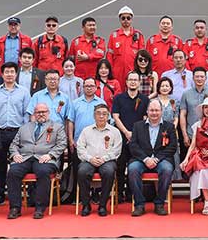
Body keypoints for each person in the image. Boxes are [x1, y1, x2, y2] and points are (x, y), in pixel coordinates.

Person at [6, 103, 67, 219]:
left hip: (45, 158)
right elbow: (14, 144)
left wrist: (51, 155)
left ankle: (40, 208)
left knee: (43, 172)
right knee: (13, 172)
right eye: (38, 112)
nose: (41, 114)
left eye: (43, 112)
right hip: (25, 157)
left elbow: (62, 144)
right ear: (34, 114)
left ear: (48, 113)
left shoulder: (57, 127)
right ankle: (15, 208)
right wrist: (15, 154)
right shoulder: (24, 127)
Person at [0, 62, 31, 205]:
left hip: (17, 132)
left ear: (16, 74)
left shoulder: (23, 92)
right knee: (0, 165)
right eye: (7, 72)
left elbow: (26, 114)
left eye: (12, 71)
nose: (10, 74)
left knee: (18, 163)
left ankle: (19, 196)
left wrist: (23, 132)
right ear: (2, 74)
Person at [128, 99, 177, 216]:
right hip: (141, 159)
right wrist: (145, 159)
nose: (154, 113)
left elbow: (172, 147)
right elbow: (133, 145)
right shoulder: (137, 126)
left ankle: (159, 203)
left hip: (161, 159)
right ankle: (139, 204)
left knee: (167, 170)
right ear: (147, 111)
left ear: (161, 111)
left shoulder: (169, 127)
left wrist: (157, 159)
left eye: (157, 110)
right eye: (151, 110)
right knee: (133, 169)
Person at [76, 103, 122, 217]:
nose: (101, 116)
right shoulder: (86, 131)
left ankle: (102, 205)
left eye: (104, 114)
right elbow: (80, 148)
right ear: (94, 115)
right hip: (89, 160)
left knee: (109, 172)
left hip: (107, 161)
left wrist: (104, 159)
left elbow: (117, 150)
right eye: (98, 113)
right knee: (82, 172)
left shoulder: (114, 131)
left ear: (108, 116)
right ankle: (86, 204)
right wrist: (90, 158)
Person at [66, 77, 106, 204]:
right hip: (79, 143)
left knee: (99, 167)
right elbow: (70, 121)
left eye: (91, 86)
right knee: (80, 170)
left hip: (98, 143)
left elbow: (107, 122)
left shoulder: (101, 102)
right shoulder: (75, 103)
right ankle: (81, 196)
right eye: (86, 86)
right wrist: (71, 139)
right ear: (83, 88)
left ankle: (96, 193)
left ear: (95, 88)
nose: (89, 88)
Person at [112, 71, 149, 202]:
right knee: (120, 166)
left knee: (134, 165)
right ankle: (119, 192)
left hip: (138, 138)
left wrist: (134, 134)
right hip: (121, 137)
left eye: (135, 80)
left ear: (139, 83)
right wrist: (127, 132)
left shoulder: (145, 99)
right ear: (126, 82)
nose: (133, 82)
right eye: (130, 80)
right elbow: (115, 116)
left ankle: (131, 193)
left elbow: (146, 119)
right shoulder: (119, 98)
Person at [179, 67, 208, 154]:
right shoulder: (186, 94)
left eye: (202, 77)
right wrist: (184, 135)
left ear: (206, 78)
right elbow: (183, 114)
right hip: (190, 134)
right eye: (197, 76)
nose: (199, 79)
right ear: (193, 78)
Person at [107, 6, 145, 85]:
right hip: (117, 72)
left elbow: (142, 56)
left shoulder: (138, 35)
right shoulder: (114, 35)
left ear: (131, 19)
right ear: (120, 19)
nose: (126, 20)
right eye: (123, 18)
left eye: (128, 18)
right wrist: (110, 71)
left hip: (133, 71)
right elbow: (109, 55)